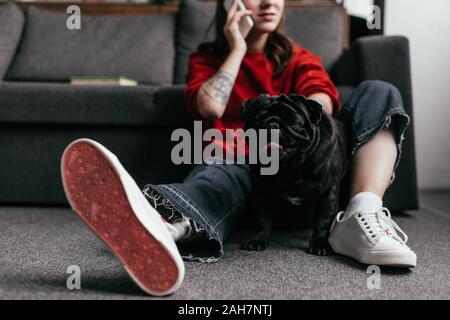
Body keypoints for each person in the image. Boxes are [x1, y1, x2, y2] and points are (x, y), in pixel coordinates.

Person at [61, 0, 417, 297]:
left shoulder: (297, 56)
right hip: (244, 175)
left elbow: (322, 99)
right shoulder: (205, 59)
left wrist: (293, 126)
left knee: (380, 90)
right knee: (219, 167)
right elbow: (211, 108)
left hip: (314, 181)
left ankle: (361, 213)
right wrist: (238, 48)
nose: (268, 2)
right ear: (230, 7)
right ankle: (165, 228)